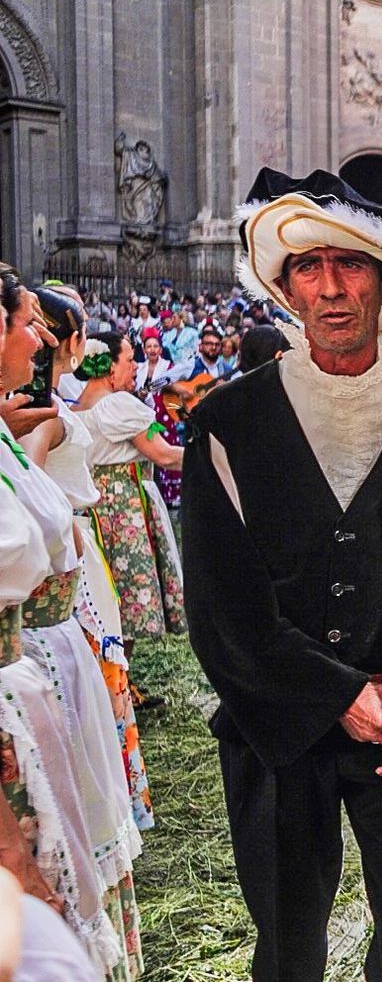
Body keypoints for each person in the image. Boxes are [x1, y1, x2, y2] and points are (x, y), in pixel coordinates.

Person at [184, 168, 382, 982]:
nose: (331, 287)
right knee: (287, 943)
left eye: (350, 263)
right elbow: (223, 613)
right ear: (286, 289)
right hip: (275, 727)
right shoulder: (226, 423)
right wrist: (338, 694)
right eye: (308, 267)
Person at [0, 273, 142, 978]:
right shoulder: (39, 427)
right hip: (26, 664)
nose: (39, 340)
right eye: (25, 322)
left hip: (45, 662)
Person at [23, 286, 155, 834]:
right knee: (87, 678)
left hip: (76, 541)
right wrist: (66, 531)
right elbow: (29, 486)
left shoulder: (55, 404)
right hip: (67, 550)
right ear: (74, 342)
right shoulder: (45, 412)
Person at [74, 333, 185, 638]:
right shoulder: (118, 405)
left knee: (102, 602)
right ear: (110, 366)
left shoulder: (76, 407)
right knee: (126, 604)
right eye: (129, 360)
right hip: (124, 511)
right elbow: (164, 455)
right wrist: (214, 456)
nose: (136, 367)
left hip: (92, 510)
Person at [132, 332, 173, 397]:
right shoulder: (138, 367)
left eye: (155, 346)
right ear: (144, 350)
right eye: (149, 347)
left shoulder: (168, 366)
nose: (152, 350)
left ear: (160, 350)